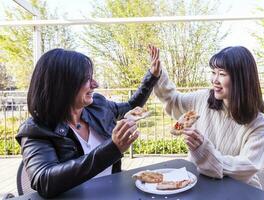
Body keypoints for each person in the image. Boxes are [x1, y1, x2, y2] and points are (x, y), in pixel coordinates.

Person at [16, 45, 161, 198]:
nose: (95, 84)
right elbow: (44, 180)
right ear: (63, 86)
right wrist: (112, 148)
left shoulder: (97, 106)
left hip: (113, 194)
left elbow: (131, 106)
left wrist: (152, 76)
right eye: (87, 79)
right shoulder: (36, 129)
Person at [154, 46, 264, 189]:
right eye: (213, 72)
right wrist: (158, 74)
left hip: (238, 189)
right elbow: (173, 101)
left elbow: (247, 166)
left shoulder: (258, 123)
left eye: (221, 74)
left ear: (241, 79)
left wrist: (204, 151)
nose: (214, 80)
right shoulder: (203, 99)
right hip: (198, 183)